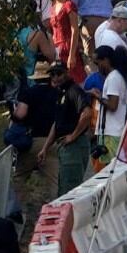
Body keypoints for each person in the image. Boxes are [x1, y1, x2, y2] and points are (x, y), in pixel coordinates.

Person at [11, 62, 59, 235]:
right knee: (54, 182)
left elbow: (21, 114)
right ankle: (54, 216)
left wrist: (13, 112)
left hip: (33, 141)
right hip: (53, 142)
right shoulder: (57, 93)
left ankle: (20, 210)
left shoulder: (28, 93)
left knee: (19, 176)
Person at [42, 62, 93, 195]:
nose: (55, 78)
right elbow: (57, 123)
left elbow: (87, 113)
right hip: (64, 145)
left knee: (69, 191)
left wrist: (73, 135)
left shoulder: (73, 90)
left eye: (59, 73)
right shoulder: (60, 92)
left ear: (67, 72)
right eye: (52, 74)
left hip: (73, 146)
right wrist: (45, 148)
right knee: (63, 187)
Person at [41, 0, 85, 85]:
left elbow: (74, 29)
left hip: (68, 46)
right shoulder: (54, 6)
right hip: (57, 49)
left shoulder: (68, 5)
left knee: (75, 79)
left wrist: (72, 55)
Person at [89, 45, 127, 166]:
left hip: (112, 133)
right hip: (111, 132)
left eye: (98, 63)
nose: (98, 68)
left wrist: (98, 97)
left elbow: (112, 105)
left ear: (106, 60)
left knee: (110, 171)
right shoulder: (116, 76)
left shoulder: (114, 78)